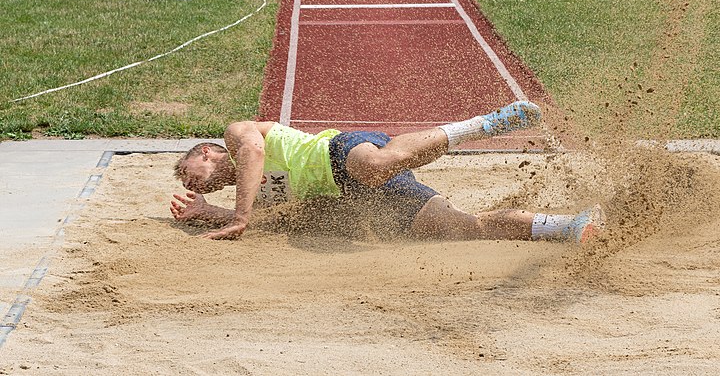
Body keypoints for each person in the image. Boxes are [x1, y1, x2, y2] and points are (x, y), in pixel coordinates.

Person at [170, 101, 606, 242]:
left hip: (340, 154)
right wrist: (209, 212)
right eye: (186, 185)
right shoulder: (252, 196)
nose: (188, 182)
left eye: (188, 172)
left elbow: (251, 151)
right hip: (357, 198)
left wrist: (239, 216)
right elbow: (266, 219)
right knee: (459, 228)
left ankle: (487, 123)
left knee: (377, 163)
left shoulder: (237, 135)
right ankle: (568, 226)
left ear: (207, 151)